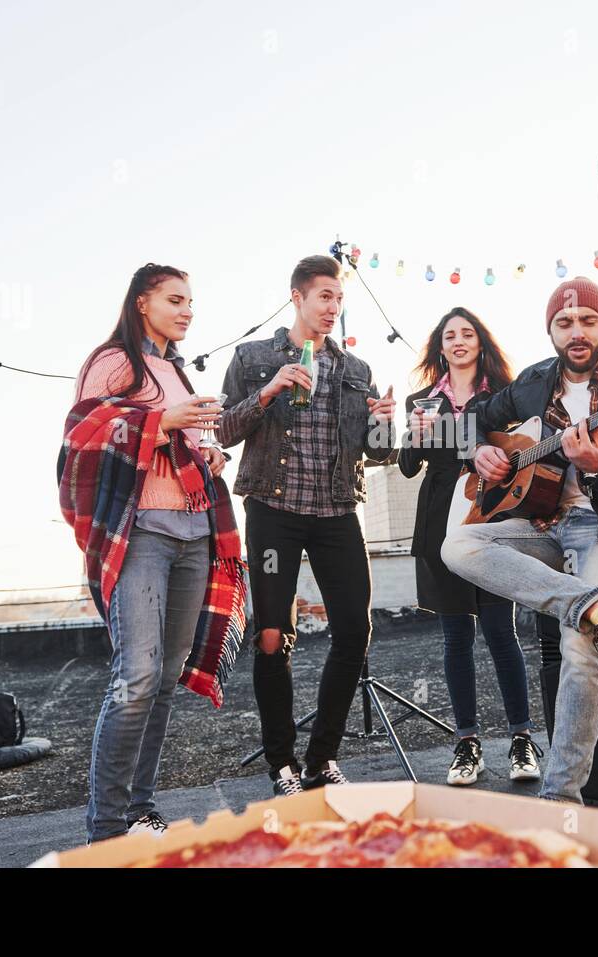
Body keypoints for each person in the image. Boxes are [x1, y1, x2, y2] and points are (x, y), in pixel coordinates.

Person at [441, 277, 598, 804]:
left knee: (577, 644)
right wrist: (479, 453)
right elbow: (472, 421)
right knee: (458, 547)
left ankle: (560, 800)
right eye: (564, 324)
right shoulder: (534, 380)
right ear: (551, 331)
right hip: (548, 525)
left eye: (588, 321)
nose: (577, 332)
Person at [61, 263, 243, 845]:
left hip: (195, 530)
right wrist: (161, 421)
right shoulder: (113, 360)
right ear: (143, 302)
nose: (187, 309)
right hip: (140, 529)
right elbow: (83, 433)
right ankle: (107, 829)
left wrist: (207, 454)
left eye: (191, 301)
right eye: (175, 299)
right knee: (135, 675)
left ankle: (139, 804)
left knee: (164, 675)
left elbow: (179, 439)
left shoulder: (178, 370)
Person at [218, 254, 396, 796]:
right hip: (274, 513)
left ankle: (321, 757)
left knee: (355, 631)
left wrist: (385, 426)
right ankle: (282, 765)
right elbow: (223, 430)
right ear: (297, 297)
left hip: (337, 512)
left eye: (339, 299)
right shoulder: (252, 358)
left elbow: (379, 454)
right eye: (324, 297)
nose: (332, 308)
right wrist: (268, 390)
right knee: (272, 636)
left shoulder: (356, 370)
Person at [398, 307, 542, 787]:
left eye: (467, 333)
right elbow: (406, 466)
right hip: (440, 519)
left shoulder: (505, 395)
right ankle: (467, 744)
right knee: (456, 637)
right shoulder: (422, 401)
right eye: (449, 335)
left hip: (493, 515)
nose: (458, 340)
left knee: (502, 632)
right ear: (440, 347)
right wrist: (413, 438)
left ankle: (522, 740)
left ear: (481, 342)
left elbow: (523, 447)